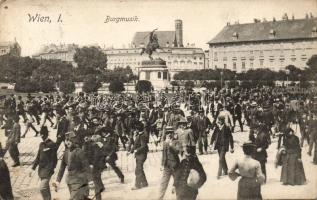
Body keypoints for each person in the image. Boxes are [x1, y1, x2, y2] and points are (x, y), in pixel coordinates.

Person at [54, 131, 94, 199]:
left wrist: (90, 180)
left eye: (70, 140)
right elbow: (62, 168)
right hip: (70, 182)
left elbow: (86, 166)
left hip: (80, 181)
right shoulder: (66, 152)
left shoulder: (79, 151)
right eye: (66, 140)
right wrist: (58, 181)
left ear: (74, 141)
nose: (68, 142)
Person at [30, 126, 57, 200]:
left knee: (42, 188)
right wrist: (32, 169)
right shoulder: (41, 144)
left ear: (46, 134)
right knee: (46, 188)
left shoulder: (52, 144)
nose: (41, 136)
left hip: (47, 170)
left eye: (43, 134)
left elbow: (54, 159)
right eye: (41, 134)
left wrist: (51, 169)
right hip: (41, 170)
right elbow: (38, 157)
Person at [158, 126, 181, 200]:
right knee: (163, 183)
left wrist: (171, 145)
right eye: (167, 133)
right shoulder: (165, 142)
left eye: (170, 132)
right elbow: (164, 154)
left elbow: (177, 151)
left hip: (175, 166)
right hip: (167, 166)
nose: (169, 134)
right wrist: (162, 164)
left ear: (172, 133)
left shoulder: (176, 142)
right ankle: (159, 198)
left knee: (177, 183)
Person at [130, 122, 149, 190]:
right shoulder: (139, 135)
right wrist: (130, 151)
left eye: (135, 129)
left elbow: (144, 146)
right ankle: (144, 183)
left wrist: (136, 150)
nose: (135, 131)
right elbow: (135, 145)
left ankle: (137, 185)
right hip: (139, 155)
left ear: (138, 129)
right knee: (140, 169)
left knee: (138, 170)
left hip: (142, 155)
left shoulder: (142, 136)